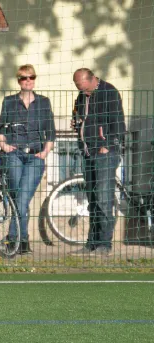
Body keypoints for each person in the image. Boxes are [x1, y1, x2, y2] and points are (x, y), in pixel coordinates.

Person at [0, 64, 56, 254]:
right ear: (18, 81)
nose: (28, 80)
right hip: (14, 154)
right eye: (24, 78)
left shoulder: (44, 102)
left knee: (21, 200)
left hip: (35, 156)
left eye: (31, 77)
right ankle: (22, 243)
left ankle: (15, 239)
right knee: (18, 199)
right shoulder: (9, 102)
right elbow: (1, 129)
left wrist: (45, 152)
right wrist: (3, 145)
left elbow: (51, 132)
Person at [71, 68, 125, 256]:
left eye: (85, 88)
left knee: (103, 199)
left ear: (93, 79)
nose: (83, 92)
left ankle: (104, 244)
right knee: (92, 200)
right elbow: (79, 117)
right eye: (80, 88)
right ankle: (91, 243)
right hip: (87, 152)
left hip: (105, 153)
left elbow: (118, 124)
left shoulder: (109, 92)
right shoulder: (81, 96)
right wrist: (76, 125)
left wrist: (108, 145)